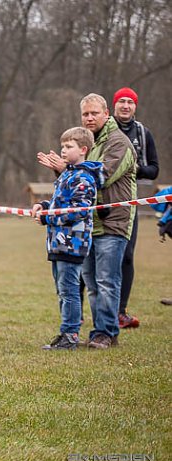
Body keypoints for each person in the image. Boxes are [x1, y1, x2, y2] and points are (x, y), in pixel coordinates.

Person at [38, 93, 136, 349]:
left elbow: (101, 176)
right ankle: (97, 331)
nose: (90, 117)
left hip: (113, 222)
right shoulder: (86, 140)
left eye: (94, 113)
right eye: (85, 114)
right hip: (87, 225)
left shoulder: (119, 142)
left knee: (106, 281)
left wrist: (66, 168)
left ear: (106, 113)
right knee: (91, 282)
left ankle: (106, 332)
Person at [32, 127, 102, 350]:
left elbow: (78, 211)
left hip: (73, 244)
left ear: (83, 150)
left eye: (69, 147)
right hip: (58, 243)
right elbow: (59, 203)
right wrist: (43, 206)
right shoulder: (68, 174)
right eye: (63, 146)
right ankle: (65, 331)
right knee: (62, 290)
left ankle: (70, 334)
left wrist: (47, 218)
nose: (63, 150)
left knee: (70, 291)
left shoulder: (83, 178)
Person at [111, 87, 160, 329]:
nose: (126, 106)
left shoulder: (143, 133)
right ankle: (79, 310)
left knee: (127, 257)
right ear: (114, 105)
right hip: (103, 199)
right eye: (122, 102)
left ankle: (121, 311)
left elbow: (153, 170)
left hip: (130, 201)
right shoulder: (104, 129)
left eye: (130, 102)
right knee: (90, 256)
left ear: (135, 106)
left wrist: (133, 168)